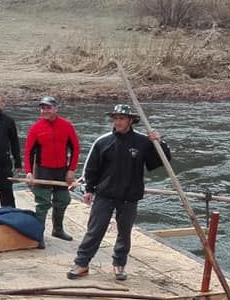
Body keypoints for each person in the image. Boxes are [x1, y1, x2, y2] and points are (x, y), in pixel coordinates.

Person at [68, 104, 171, 281]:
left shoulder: (143, 142)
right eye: (115, 118)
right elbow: (91, 169)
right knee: (95, 230)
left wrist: (159, 143)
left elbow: (158, 162)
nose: (118, 122)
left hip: (130, 196)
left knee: (124, 232)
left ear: (130, 121)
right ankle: (82, 263)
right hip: (104, 195)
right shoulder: (103, 141)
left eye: (122, 118)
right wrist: (88, 190)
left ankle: (119, 265)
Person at [24, 96, 80, 241]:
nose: (45, 110)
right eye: (43, 108)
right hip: (43, 170)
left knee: (63, 199)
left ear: (56, 109)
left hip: (62, 170)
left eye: (48, 108)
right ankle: (39, 235)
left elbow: (75, 149)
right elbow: (28, 152)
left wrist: (71, 170)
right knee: (42, 203)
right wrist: (29, 172)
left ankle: (58, 229)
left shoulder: (67, 126)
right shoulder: (35, 128)